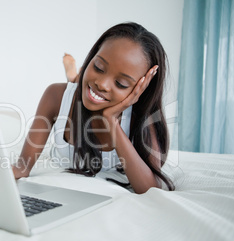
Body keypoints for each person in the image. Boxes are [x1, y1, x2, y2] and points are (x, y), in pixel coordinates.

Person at [12, 22, 175, 194]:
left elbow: (151, 189)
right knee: (79, 86)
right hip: (79, 91)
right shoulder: (55, 96)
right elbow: (22, 167)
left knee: (86, 86)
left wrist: (112, 121)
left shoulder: (141, 115)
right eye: (98, 67)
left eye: (121, 83)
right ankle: (74, 76)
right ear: (91, 58)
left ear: (140, 89)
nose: (102, 84)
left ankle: (74, 76)